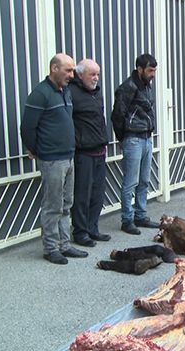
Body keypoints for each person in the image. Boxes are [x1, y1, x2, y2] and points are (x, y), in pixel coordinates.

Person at [21, 54, 88, 264]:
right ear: (54, 68)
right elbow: (27, 128)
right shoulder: (40, 94)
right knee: (53, 205)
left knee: (67, 203)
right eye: (67, 71)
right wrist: (37, 150)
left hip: (68, 156)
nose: (71, 75)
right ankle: (51, 248)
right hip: (52, 159)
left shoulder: (65, 91)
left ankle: (64, 245)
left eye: (72, 70)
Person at [111, 54, 161, 235]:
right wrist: (122, 138)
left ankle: (140, 215)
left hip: (147, 137)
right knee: (130, 182)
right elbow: (117, 115)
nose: (153, 73)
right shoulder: (128, 87)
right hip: (133, 138)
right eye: (150, 70)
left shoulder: (146, 85)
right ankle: (127, 220)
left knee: (144, 180)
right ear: (139, 69)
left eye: (154, 70)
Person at [68, 59, 111, 247]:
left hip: (99, 150)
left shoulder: (97, 93)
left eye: (98, 74)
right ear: (80, 74)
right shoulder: (71, 93)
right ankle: (80, 232)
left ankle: (93, 228)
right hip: (83, 153)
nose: (96, 78)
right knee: (82, 195)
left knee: (97, 193)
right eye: (92, 74)